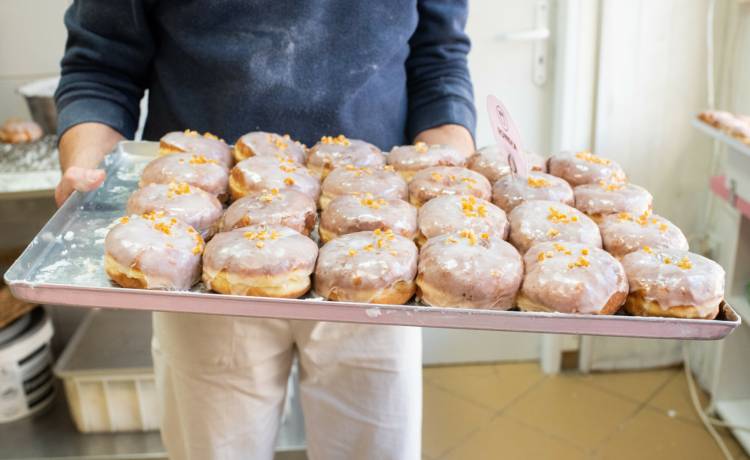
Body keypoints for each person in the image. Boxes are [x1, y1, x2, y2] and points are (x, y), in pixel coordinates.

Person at [54, 1, 475, 459]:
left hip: (377, 261)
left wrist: (451, 172)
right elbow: (100, 65)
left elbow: (438, 59)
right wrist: (89, 167)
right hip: (197, 257)